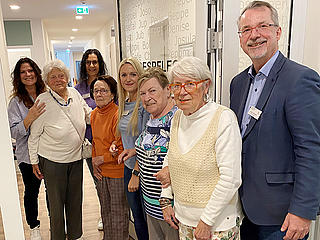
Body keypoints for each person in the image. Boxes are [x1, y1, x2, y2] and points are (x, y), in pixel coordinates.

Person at [230, 1, 320, 240]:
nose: (254, 35)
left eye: (262, 26)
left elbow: (311, 149)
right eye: (246, 29)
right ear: (240, 38)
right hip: (244, 208)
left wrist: (303, 210)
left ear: (278, 32)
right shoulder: (238, 84)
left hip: (283, 216)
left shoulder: (300, 79)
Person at [161, 56, 243, 240]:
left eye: (190, 84)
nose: (182, 92)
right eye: (176, 86)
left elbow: (231, 179)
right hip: (183, 220)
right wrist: (165, 199)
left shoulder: (223, 119)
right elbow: (171, 159)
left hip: (216, 225)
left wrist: (206, 221)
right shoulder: (178, 117)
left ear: (206, 86)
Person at [28, 59, 91, 240]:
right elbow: (34, 134)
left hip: (76, 158)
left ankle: (75, 235)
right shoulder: (43, 100)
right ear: (47, 81)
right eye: (53, 77)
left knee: (75, 201)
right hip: (52, 161)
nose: (58, 80)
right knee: (56, 205)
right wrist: (34, 161)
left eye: (61, 76)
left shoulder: (74, 93)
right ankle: (57, 237)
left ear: (67, 77)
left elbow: (87, 114)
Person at [134, 67, 179, 239]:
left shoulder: (176, 118)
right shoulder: (152, 117)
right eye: (143, 93)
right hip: (151, 205)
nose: (146, 98)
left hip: (170, 209)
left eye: (152, 91)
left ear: (168, 90)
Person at [7, 57, 46, 240]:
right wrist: (29, 118)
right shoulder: (15, 103)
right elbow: (14, 132)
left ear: (36, 73)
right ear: (18, 76)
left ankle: (57, 222)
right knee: (31, 192)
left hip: (50, 151)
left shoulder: (48, 94)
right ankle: (34, 226)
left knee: (54, 191)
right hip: (27, 157)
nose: (28, 74)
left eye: (30, 70)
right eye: (23, 72)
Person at [90, 75, 129, 240]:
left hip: (117, 172)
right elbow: (95, 142)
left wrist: (101, 159)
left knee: (119, 214)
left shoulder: (117, 114)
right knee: (105, 212)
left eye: (104, 91)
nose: (99, 94)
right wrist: (94, 162)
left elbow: (120, 148)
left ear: (112, 94)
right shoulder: (93, 114)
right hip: (101, 173)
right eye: (96, 91)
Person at [74, 48, 107, 230]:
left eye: (95, 62)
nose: (92, 65)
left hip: (108, 141)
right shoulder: (78, 89)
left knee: (111, 182)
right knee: (98, 181)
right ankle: (104, 214)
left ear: (100, 63)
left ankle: (113, 213)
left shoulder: (108, 84)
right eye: (88, 62)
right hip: (90, 143)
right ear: (84, 65)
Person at [116, 57, 149, 240]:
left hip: (142, 170)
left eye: (133, 74)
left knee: (145, 218)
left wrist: (136, 173)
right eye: (124, 75)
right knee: (137, 218)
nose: (128, 79)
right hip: (128, 167)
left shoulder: (144, 105)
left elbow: (146, 142)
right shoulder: (124, 103)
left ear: (140, 76)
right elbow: (129, 136)